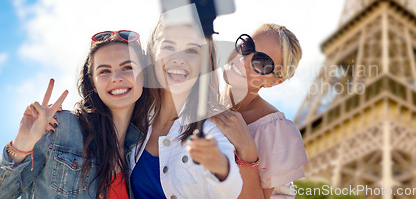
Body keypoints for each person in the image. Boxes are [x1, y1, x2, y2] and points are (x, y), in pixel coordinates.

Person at [0, 30, 151, 199]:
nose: (116, 77)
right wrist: (21, 144)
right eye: (104, 71)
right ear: (93, 83)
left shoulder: (143, 150)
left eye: (127, 67)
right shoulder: (59, 128)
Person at [129, 18, 243, 199]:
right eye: (169, 47)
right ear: (152, 54)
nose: (179, 59)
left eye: (191, 50)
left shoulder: (211, 127)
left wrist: (221, 166)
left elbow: (230, 190)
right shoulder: (132, 117)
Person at [210, 23, 308, 199]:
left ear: (274, 82)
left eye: (262, 62)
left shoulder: (276, 132)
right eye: (247, 46)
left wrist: (247, 153)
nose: (244, 59)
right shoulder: (197, 101)